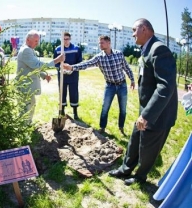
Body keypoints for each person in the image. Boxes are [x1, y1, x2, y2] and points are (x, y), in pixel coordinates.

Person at [108, 18, 178, 185]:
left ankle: (140, 177)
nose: (132, 34)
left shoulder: (159, 49)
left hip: (158, 114)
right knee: (135, 141)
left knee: (148, 148)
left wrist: (147, 115)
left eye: (134, 30)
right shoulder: (147, 49)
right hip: (146, 109)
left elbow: (165, 87)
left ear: (145, 29)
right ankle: (125, 169)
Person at [63, 35, 135, 134]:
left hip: (122, 85)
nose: (99, 44)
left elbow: (127, 68)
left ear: (109, 43)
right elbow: (86, 64)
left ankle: (121, 127)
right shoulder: (99, 57)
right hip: (110, 86)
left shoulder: (119, 54)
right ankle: (102, 128)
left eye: (102, 42)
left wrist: (132, 80)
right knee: (105, 107)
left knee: (123, 109)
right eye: (99, 43)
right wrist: (72, 67)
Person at [16, 30, 65, 122]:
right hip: (25, 88)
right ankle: (24, 130)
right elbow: (37, 65)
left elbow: (31, 67)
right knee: (25, 111)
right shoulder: (26, 50)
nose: (37, 43)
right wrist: (56, 60)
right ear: (28, 40)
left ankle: (27, 127)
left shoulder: (29, 50)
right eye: (35, 41)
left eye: (38, 41)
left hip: (27, 88)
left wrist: (43, 75)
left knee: (30, 107)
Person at [53, 32, 82, 119]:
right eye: (64, 39)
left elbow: (80, 62)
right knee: (62, 92)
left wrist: (72, 68)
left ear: (70, 39)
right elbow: (55, 62)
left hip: (73, 75)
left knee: (74, 93)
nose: (65, 41)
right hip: (62, 76)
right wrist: (61, 69)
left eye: (67, 39)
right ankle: (62, 111)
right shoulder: (58, 49)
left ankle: (75, 112)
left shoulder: (76, 49)